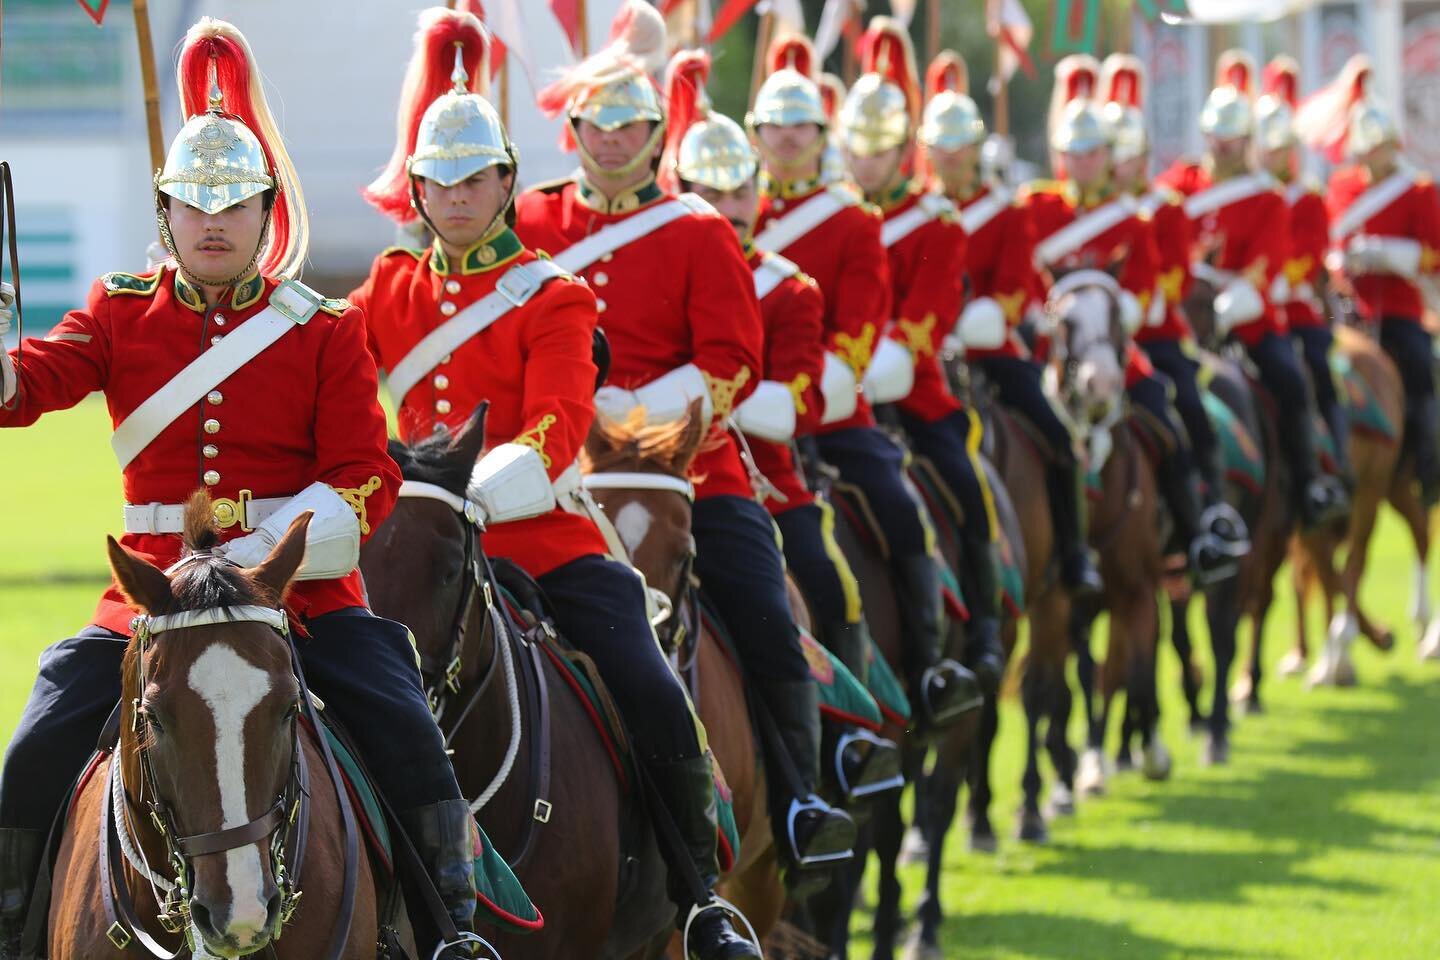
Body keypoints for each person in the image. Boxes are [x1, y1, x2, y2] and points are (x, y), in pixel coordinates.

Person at [0, 19, 476, 958]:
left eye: (234, 204)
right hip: (146, 599)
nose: (213, 222)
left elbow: (366, 479)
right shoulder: (117, 310)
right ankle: (16, 926)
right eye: (193, 203)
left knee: (406, 734)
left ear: (267, 213)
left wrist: (267, 558)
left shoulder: (324, 329)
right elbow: (35, 385)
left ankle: (450, 927)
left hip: (298, 595)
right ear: (166, 211)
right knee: (37, 743)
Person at [350, 12, 761, 957]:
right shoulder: (388, 284)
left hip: (541, 532)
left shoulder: (553, 293)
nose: (456, 197)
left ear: (506, 185)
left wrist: (476, 492)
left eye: (476, 180)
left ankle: (700, 897)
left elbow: (556, 429)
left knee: (649, 684)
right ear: (416, 188)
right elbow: (335, 392)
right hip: (413, 546)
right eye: (438, 182)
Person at [513, 1, 855, 897]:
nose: (614, 139)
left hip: (695, 469)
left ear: (658, 130)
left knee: (769, 620)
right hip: (557, 479)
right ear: (575, 128)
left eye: (631, 125)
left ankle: (798, 802)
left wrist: (640, 408)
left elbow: (735, 363)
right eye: (598, 124)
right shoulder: (532, 224)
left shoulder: (700, 229)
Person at [746, 25, 984, 727]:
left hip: (833, 410)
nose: (787, 141)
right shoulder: (733, 215)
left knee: (904, 505)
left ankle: (937, 659)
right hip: (741, 413)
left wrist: (798, 397)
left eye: (801, 129)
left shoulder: (856, 223)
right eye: (772, 128)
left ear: (821, 133)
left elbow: (861, 331)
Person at [836, 21, 1005, 693]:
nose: (865, 162)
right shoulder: (827, 214)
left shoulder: (935, 219)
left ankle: (977, 629)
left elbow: (927, 320)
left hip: (911, 392)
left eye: (879, 149)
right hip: (826, 401)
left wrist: (881, 363)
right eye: (857, 146)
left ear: (905, 149)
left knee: (965, 487)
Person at [1157, 50, 1348, 528]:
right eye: (1215, 139)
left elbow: (1263, 271)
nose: (1221, 149)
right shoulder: (1182, 183)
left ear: (1246, 142)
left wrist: (1222, 306)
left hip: (1249, 320)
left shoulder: (1266, 196)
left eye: (1231, 141)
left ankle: (1308, 483)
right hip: (1186, 319)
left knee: (1289, 379)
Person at [1101, 53, 1249, 576]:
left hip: (1156, 336)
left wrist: (1138, 306)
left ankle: (1201, 522)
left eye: (1125, 159)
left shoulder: (1162, 208)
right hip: (1094, 344)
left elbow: (1176, 279)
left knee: (1185, 405)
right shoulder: (1084, 210)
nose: (1118, 169)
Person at [1316, 55, 1440, 506]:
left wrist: (1388, 254)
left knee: (1418, 367)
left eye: (1379, 148)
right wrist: (1342, 260)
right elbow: (1327, 242)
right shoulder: (1343, 187)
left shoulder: (1418, 189)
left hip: (1400, 308)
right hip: (1348, 304)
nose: (1372, 158)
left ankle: (1427, 464)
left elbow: (1433, 256)